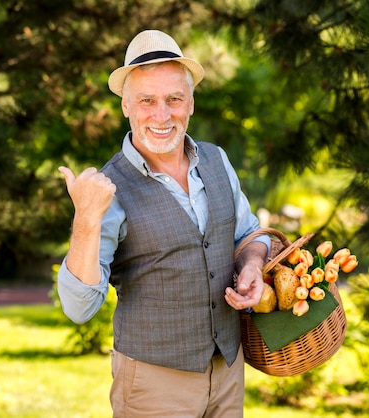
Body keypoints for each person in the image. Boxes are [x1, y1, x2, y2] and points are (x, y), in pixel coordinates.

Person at [56, 29, 270, 417]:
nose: (162, 114)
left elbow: (248, 233)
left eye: (174, 99)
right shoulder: (109, 188)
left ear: (191, 102)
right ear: (125, 106)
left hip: (228, 371)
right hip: (153, 386)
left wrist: (252, 263)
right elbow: (79, 306)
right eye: (146, 101)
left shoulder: (217, 159)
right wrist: (86, 217)